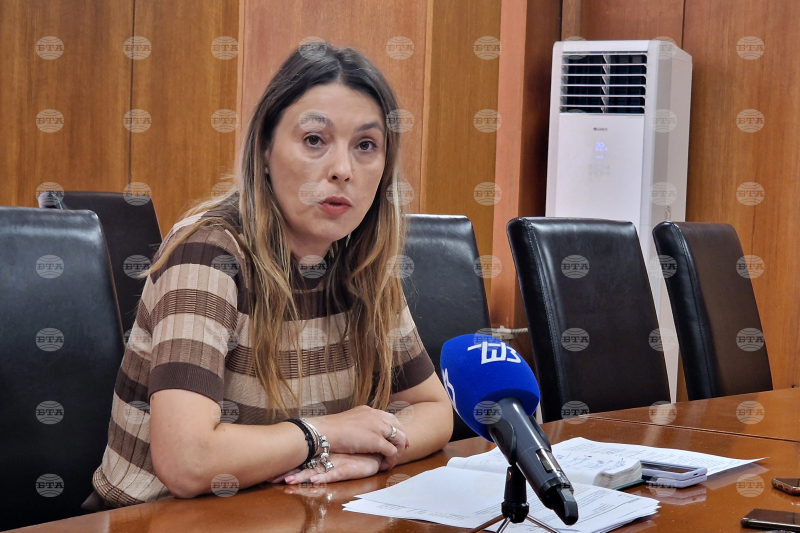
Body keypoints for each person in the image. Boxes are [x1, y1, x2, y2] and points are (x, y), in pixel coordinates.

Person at [82, 41, 453, 510]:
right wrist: (324, 435)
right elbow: (187, 461)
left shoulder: (362, 261)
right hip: (153, 519)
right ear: (263, 150)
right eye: (314, 140)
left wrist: (373, 453)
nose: (342, 170)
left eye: (366, 145)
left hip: (282, 510)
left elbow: (434, 410)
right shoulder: (209, 253)